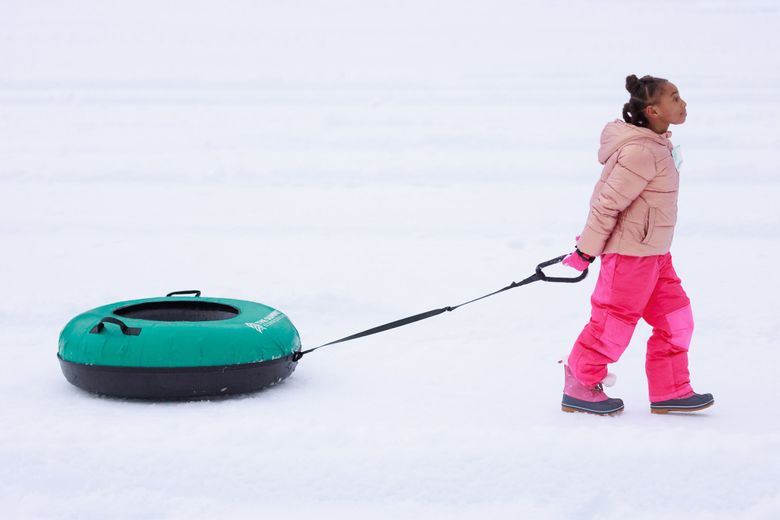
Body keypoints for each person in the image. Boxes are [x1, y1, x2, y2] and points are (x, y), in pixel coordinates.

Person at [559, 74, 714, 415]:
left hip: (656, 255)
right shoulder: (641, 151)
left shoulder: (657, 144)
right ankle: (580, 383)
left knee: (677, 320)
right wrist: (586, 250)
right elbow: (607, 204)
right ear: (653, 110)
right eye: (674, 98)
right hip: (629, 257)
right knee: (612, 326)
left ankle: (671, 391)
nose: (683, 103)